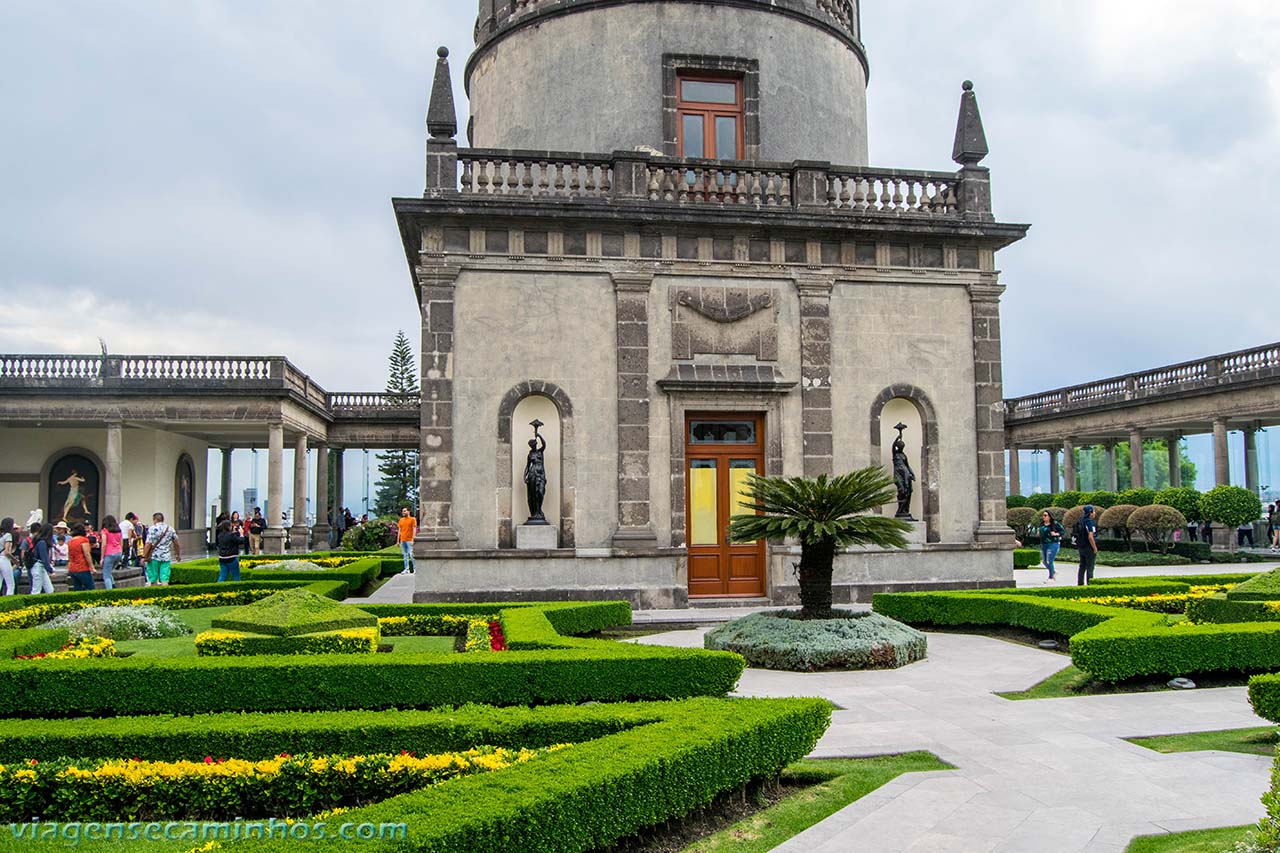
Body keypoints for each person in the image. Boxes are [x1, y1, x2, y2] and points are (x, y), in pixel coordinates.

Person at [144, 512, 179, 586]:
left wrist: (144, 556)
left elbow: (148, 544)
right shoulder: (170, 529)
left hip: (153, 557)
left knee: (153, 579)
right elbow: (176, 543)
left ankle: (155, 595)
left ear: (154, 519)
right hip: (166, 557)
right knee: (164, 579)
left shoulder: (153, 528)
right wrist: (177, 554)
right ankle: (165, 595)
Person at [66, 522, 96, 591]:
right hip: (83, 567)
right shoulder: (83, 540)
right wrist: (92, 567)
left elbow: (69, 555)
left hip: (73, 568)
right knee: (90, 588)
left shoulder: (70, 541)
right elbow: (87, 554)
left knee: (77, 589)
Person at [1074, 504, 1099, 586]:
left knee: (1082, 567)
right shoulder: (1089, 522)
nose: (1094, 513)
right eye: (1094, 511)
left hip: (1081, 547)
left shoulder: (1081, 521)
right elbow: (1090, 536)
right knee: (1090, 568)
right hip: (1089, 547)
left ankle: (1080, 584)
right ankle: (1090, 584)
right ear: (1090, 513)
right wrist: (1094, 547)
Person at [1037, 509, 1064, 582]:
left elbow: (1062, 531)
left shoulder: (1055, 524)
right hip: (1044, 544)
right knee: (1044, 561)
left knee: (1049, 560)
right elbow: (1040, 531)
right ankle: (1053, 571)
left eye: (1045, 515)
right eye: (1043, 515)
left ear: (1050, 516)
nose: (1043, 517)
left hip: (1053, 543)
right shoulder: (1042, 524)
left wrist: (1056, 534)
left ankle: (1051, 577)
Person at [29, 523, 55, 595]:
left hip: (39, 566)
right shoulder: (42, 543)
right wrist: (50, 570)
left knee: (49, 590)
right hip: (38, 566)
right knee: (36, 590)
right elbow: (44, 558)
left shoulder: (39, 541)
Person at [98, 515, 123, 590]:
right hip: (118, 552)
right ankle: (113, 585)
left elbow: (104, 544)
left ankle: (110, 591)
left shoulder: (105, 531)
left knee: (106, 575)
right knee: (109, 571)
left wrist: (102, 558)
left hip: (109, 553)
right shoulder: (118, 530)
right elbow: (121, 543)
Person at [397, 507, 417, 575]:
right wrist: (398, 541)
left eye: (405, 511)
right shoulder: (401, 520)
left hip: (409, 540)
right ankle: (406, 569)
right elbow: (399, 530)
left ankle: (415, 568)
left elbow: (414, 529)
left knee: (411, 554)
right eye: (403, 511)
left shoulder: (412, 519)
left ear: (408, 511)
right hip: (403, 540)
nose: (403, 512)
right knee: (405, 555)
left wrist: (413, 539)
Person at [0, 517, 15, 596]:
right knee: (10, 585)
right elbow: (6, 552)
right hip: (4, 560)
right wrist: (14, 560)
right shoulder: (8, 535)